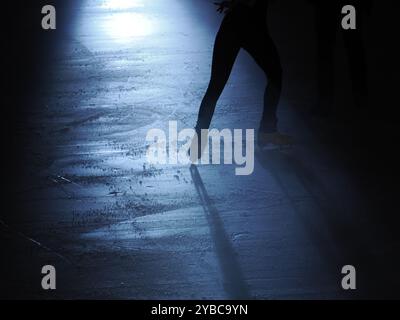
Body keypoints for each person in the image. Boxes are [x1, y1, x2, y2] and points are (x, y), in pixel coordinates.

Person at [192, 0, 292, 158]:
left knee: (216, 85)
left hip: (236, 22)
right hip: (250, 23)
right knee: (275, 74)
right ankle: (267, 130)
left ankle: (198, 140)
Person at [308, 0, 371, 116]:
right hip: (346, 4)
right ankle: (360, 98)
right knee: (352, 47)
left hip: (329, 5)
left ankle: (326, 100)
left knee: (327, 51)